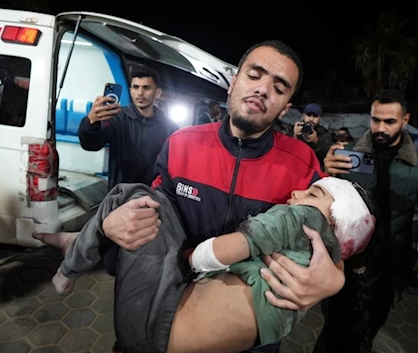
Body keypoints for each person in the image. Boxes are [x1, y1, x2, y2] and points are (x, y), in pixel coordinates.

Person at [98, 40, 347, 353]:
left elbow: (338, 229)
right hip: (173, 310)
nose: (263, 89)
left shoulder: (303, 162)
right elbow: (153, 206)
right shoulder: (181, 143)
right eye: (254, 75)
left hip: (249, 333)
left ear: (285, 107)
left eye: (279, 87)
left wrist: (334, 279)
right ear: (233, 83)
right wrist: (114, 222)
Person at [49, 177, 375, 352]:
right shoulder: (317, 263)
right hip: (183, 327)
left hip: (153, 323)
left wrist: (191, 258)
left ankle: (73, 258)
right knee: (154, 202)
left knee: (133, 193)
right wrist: (339, 280)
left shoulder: (304, 216)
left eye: (314, 192)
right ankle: (85, 238)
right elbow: (351, 236)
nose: (297, 192)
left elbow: (232, 246)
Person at [315, 89, 418, 353]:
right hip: (345, 260)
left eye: (390, 121)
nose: (380, 127)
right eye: (376, 120)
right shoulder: (349, 154)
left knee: (366, 331)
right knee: (332, 328)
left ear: (405, 120)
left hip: (389, 265)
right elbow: (327, 198)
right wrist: (324, 171)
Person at [33, 64, 178, 274]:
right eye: (135, 87)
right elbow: (91, 143)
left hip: (150, 202)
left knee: (143, 261)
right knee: (113, 265)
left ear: (157, 92)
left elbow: (172, 165)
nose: (140, 93)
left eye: (146, 88)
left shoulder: (169, 127)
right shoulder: (117, 118)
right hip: (118, 199)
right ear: (129, 90)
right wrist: (90, 122)